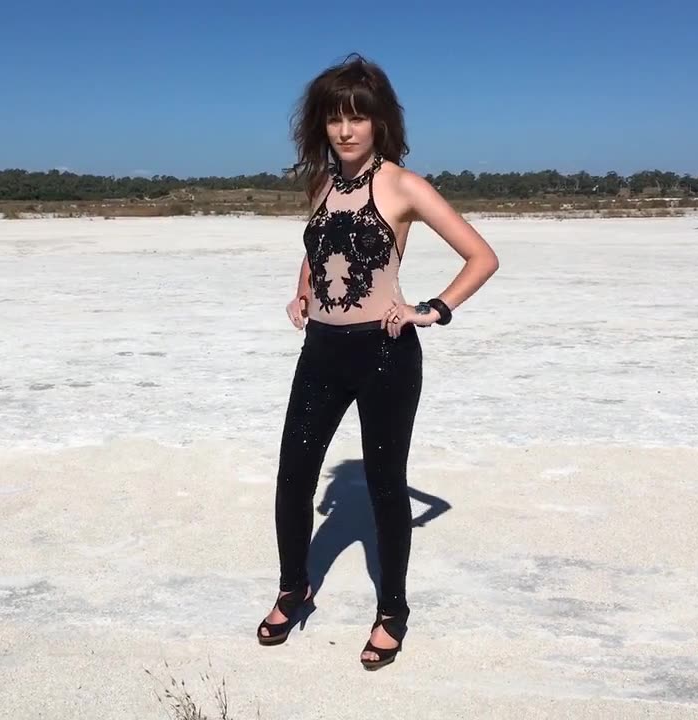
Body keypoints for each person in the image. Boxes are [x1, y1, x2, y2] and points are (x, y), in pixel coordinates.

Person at [256, 53, 499, 670]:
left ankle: (392, 611)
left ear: (378, 123)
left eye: (358, 118)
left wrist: (433, 309)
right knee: (293, 476)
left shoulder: (403, 185)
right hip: (322, 350)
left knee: (388, 487)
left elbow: (481, 256)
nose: (345, 130)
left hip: (385, 354)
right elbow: (318, 246)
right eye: (334, 118)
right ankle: (293, 589)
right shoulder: (322, 184)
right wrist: (302, 287)